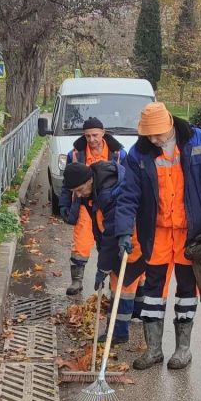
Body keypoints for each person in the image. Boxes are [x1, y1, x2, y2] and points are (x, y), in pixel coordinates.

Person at [114, 102, 201, 370]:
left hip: (191, 233)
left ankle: (183, 350)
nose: (153, 140)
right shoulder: (139, 154)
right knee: (153, 292)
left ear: (169, 125)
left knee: (187, 290)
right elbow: (128, 195)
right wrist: (123, 231)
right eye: (149, 135)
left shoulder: (198, 141)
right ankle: (154, 349)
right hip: (157, 233)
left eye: (157, 135)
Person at [61, 160, 142, 344]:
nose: (79, 195)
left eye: (80, 189)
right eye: (75, 192)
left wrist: (103, 269)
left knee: (122, 287)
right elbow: (102, 230)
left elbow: (111, 235)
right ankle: (137, 312)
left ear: (90, 179)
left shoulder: (107, 193)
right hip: (126, 239)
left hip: (131, 242)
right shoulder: (95, 188)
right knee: (136, 281)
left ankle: (118, 333)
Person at [58, 117, 126, 296]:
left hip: (109, 203)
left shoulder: (118, 154)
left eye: (95, 135)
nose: (91, 140)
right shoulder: (75, 154)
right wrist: (64, 205)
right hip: (84, 204)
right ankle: (77, 280)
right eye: (87, 136)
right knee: (81, 239)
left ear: (103, 133)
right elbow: (67, 184)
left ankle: (114, 281)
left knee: (110, 240)